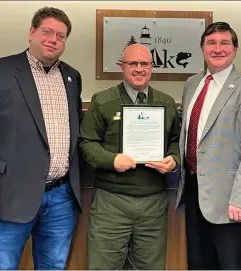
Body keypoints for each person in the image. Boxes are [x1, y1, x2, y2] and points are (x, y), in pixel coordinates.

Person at [0, 7, 83, 270]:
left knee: (54, 266)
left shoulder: (71, 77)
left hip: (60, 197)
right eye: (47, 32)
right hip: (9, 195)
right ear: (32, 32)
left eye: (61, 35)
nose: (53, 39)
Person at [175, 22, 241, 270]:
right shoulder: (192, 84)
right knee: (198, 263)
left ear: (235, 49)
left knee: (230, 265)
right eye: (211, 43)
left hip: (230, 201)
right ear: (202, 48)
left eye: (224, 43)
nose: (218, 49)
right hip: (194, 191)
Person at [79, 43, 181, 270]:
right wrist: (111, 160)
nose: (138, 69)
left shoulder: (166, 102)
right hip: (111, 202)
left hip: (153, 202)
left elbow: (176, 140)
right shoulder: (103, 100)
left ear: (152, 67)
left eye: (144, 63)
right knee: (103, 266)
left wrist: (174, 159)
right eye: (132, 63)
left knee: (150, 267)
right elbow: (86, 142)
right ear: (122, 67)